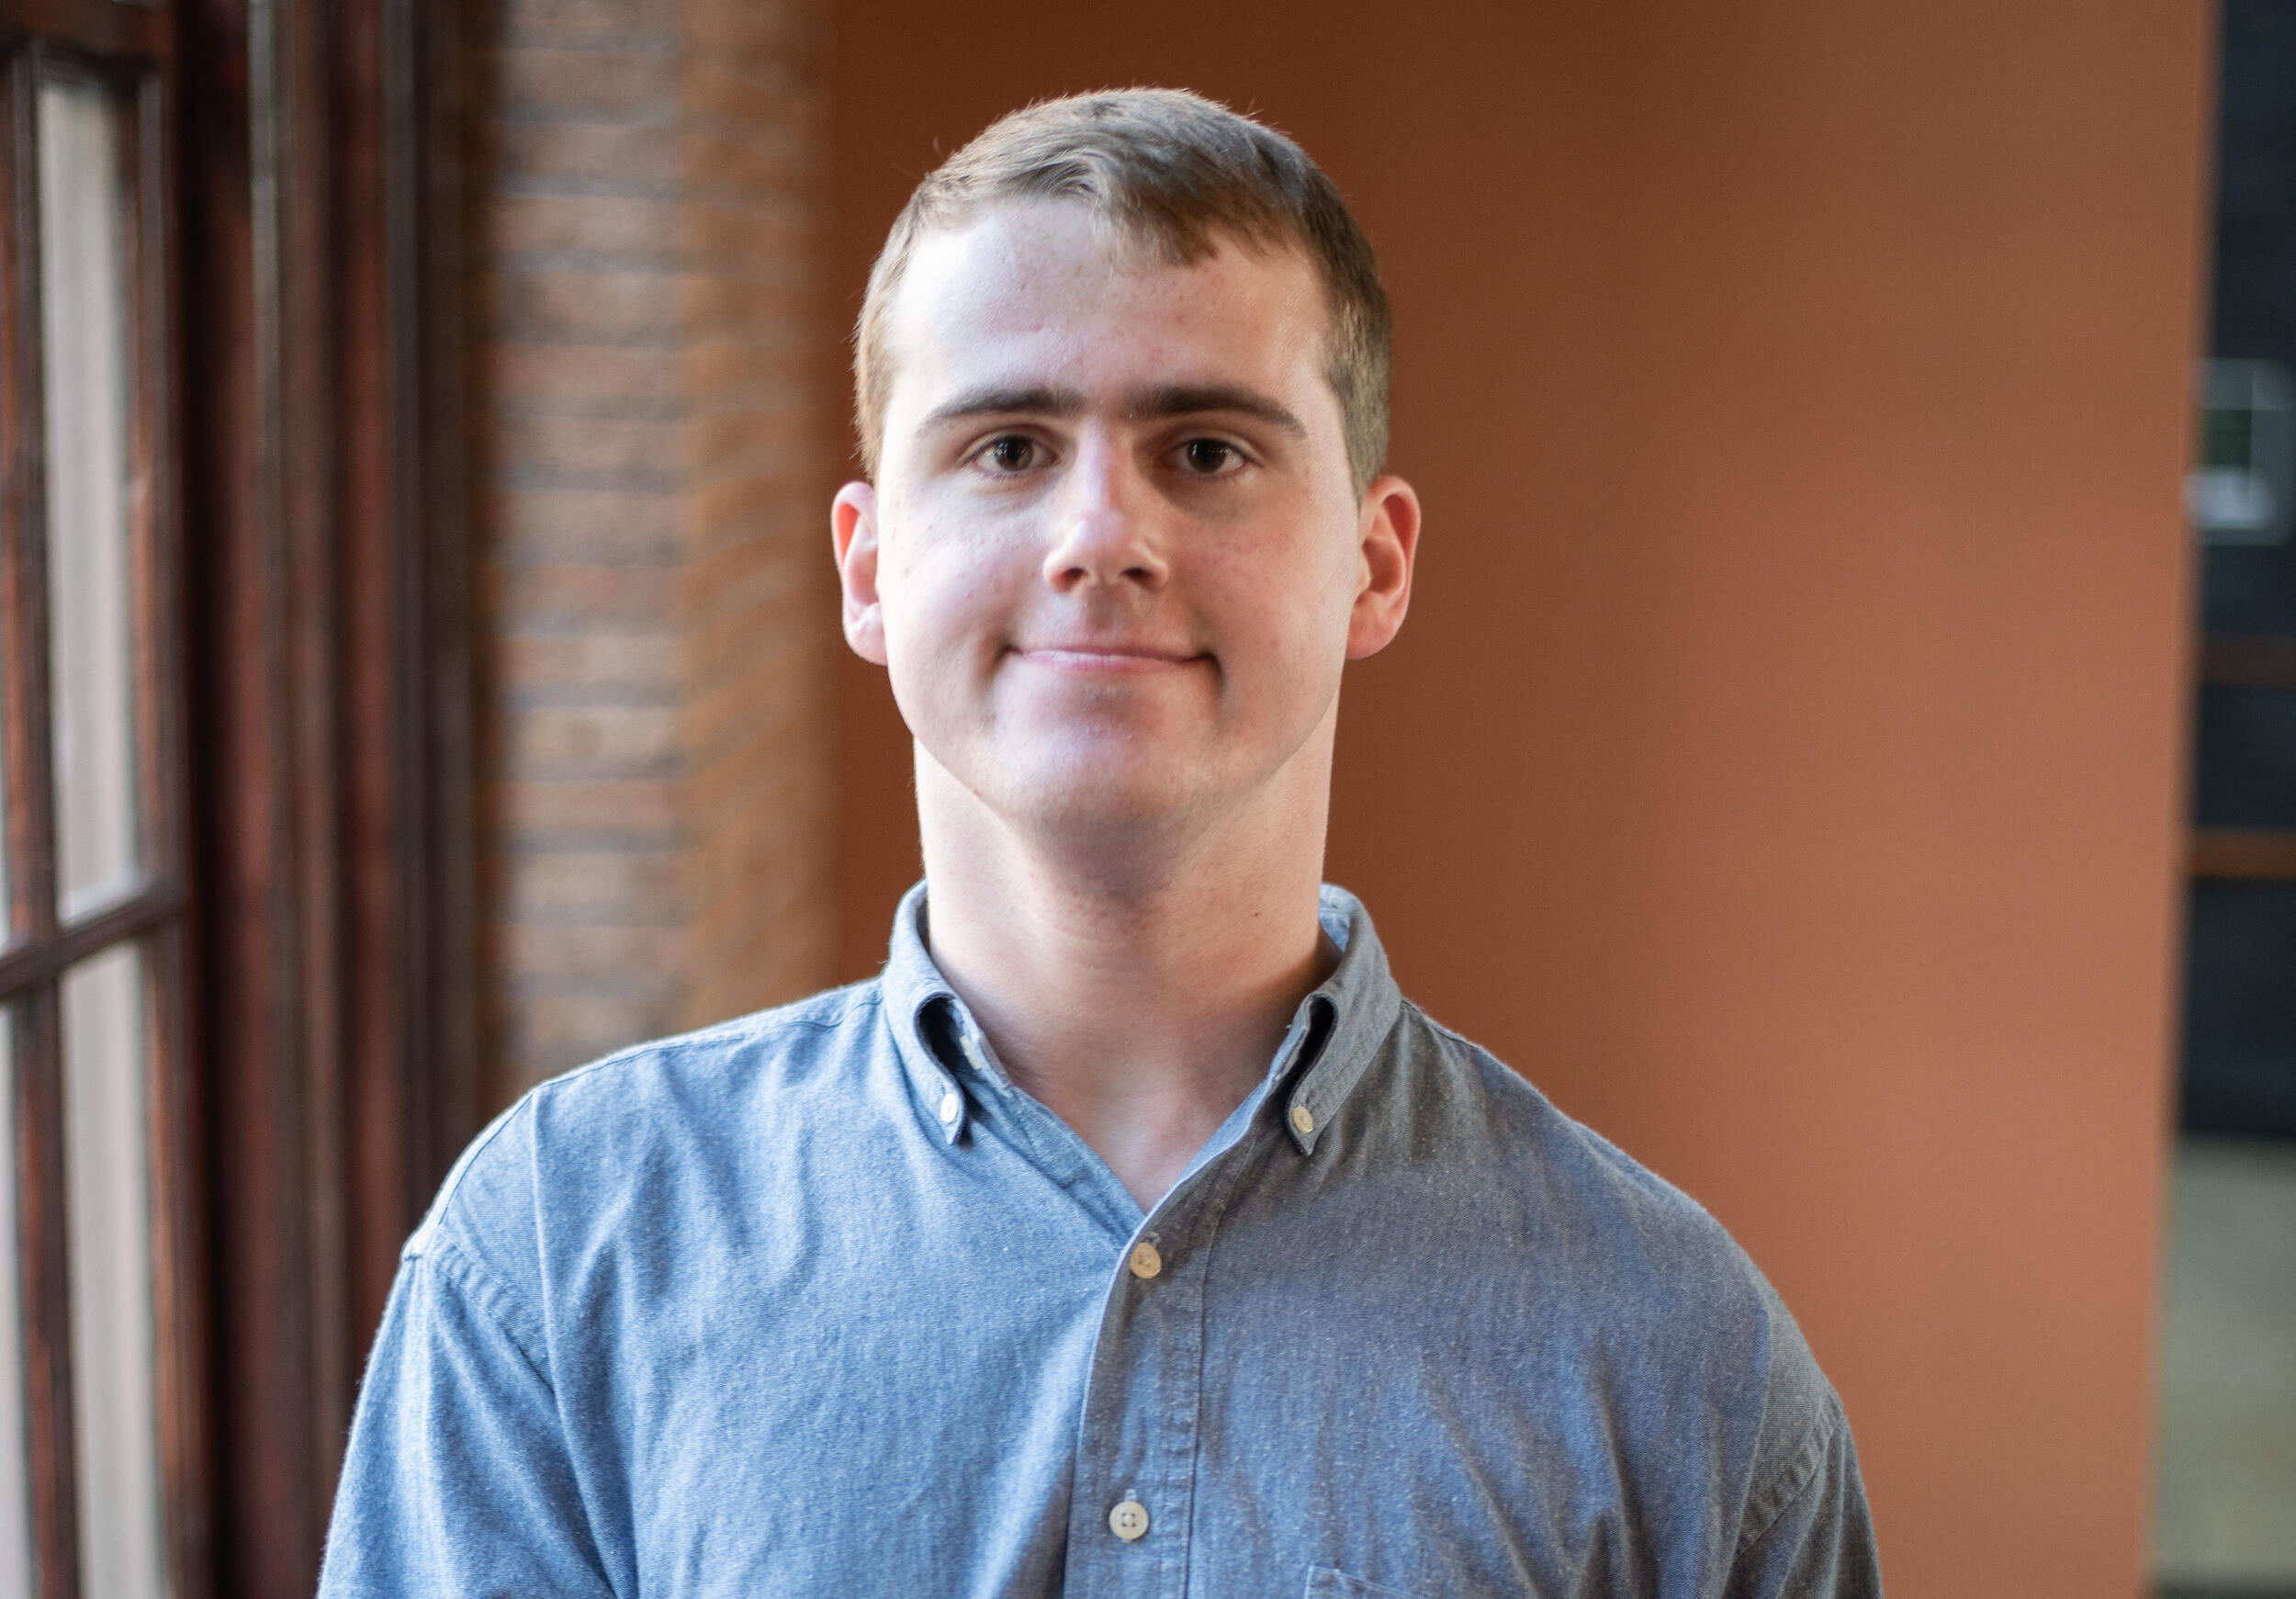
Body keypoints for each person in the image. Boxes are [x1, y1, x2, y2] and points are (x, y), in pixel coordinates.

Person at [320, 89, 1883, 1598]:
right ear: (870, 570)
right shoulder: (559, 1256)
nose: (1099, 536)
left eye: (1206, 450)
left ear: (1375, 563)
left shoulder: (1684, 1365)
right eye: (1005, 446)